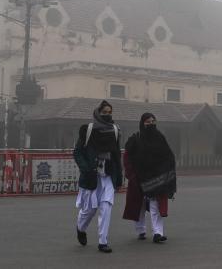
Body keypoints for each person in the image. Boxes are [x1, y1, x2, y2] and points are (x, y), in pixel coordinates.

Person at [73, 100, 123, 253]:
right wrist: (86, 168)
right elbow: (78, 152)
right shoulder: (87, 130)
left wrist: (119, 176)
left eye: (109, 112)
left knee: (106, 207)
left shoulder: (115, 130)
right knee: (89, 210)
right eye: (104, 112)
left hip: (107, 175)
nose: (107, 115)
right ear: (97, 113)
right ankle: (81, 228)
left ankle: (103, 241)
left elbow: (116, 155)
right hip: (91, 176)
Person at [123, 113, 177, 244]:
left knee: (155, 205)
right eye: (148, 122)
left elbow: (169, 156)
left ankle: (158, 233)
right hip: (139, 177)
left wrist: (166, 174)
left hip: (156, 178)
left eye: (153, 121)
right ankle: (141, 230)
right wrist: (131, 175)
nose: (151, 124)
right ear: (142, 123)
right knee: (139, 205)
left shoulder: (160, 138)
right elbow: (127, 157)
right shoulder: (135, 139)